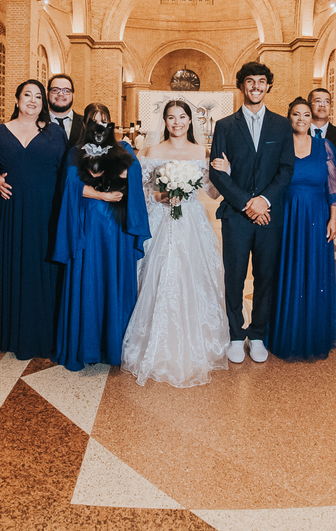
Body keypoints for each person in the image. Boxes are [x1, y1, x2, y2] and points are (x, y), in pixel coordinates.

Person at [122, 100, 230, 387]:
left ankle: (198, 342)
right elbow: (144, 191)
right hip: (161, 219)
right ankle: (155, 341)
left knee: (193, 277)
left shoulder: (201, 151)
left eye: (182, 117)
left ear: (190, 121)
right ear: (165, 121)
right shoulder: (153, 152)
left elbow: (213, 193)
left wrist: (225, 172)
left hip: (192, 222)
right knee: (158, 274)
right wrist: (165, 195)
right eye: (171, 117)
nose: (177, 122)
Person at [208, 62, 295, 364]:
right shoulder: (225, 126)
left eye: (261, 81)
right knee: (234, 276)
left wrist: (264, 201)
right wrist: (248, 203)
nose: (256, 86)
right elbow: (217, 173)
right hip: (236, 215)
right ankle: (235, 334)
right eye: (250, 81)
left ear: (268, 85)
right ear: (241, 85)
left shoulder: (281, 125)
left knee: (265, 276)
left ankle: (257, 334)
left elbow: (286, 170)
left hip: (270, 215)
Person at [53, 103, 150, 372]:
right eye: (94, 120)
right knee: (90, 279)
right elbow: (71, 185)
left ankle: (115, 345)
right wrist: (103, 194)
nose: (99, 125)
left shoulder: (124, 148)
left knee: (114, 279)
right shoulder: (76, 152)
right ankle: (87, 345)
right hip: (88, 227)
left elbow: (132, 174)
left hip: (117, 230)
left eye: (104, 120)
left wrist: (103, 174)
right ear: (86, 124)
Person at [0, 79, 68, 360]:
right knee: (14, 267)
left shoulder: (55, 134)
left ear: (43, 103)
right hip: (12, 211)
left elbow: (66, 175)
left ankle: (46, 333)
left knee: (44, 268)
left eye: (38, 96)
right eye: (27, 95)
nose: (33, 100)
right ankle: (12, 331)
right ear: (17, 99)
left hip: (47, 212)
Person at [267, 97, 336, 360]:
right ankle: (284, 333)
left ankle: (313, 334)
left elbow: (333, 187)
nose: (301, 119)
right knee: (285, 270)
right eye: (296, 114)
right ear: (288, 117)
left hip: (317, 216)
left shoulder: (324, 146)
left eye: (306, 115)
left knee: (314, 272)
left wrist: (333, 219)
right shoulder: (279, 145)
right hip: (286, 215)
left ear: (312, 119)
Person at [308, 87, 336, 168]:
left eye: (327, 102)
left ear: (330, 106)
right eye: (318, 101)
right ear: (309, 105)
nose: (322, 105)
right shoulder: (297, 134)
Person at [48, 74, 84, 143]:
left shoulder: (86, 124)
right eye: (55, 90)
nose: (60, 94)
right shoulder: (35, 123)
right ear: (48, 94)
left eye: (66, 91)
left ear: (73, 96)